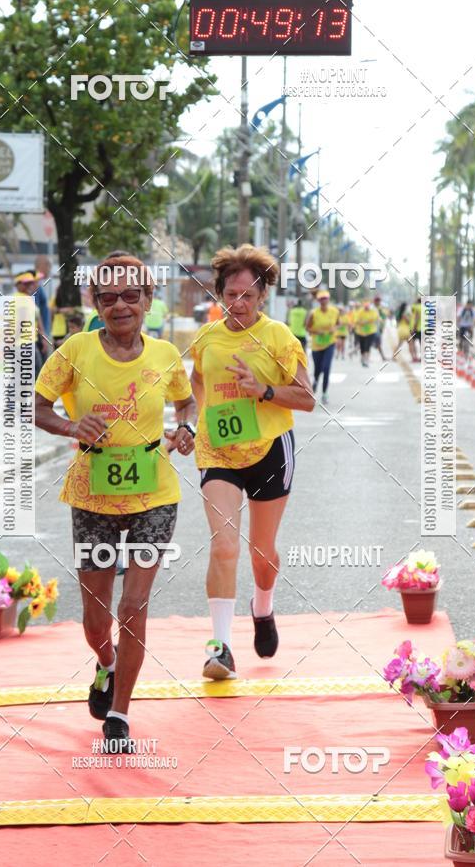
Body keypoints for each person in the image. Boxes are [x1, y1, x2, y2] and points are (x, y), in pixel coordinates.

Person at [35, 255, 197, 747]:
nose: (121, 305)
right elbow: (37, 406)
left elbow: (186, 399)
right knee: (95, 616)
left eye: (132, 295)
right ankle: (105, 663)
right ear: (96, 303)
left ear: (148, 300)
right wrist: (70, 426)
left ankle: (120, 715)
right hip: (92, 493)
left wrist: (186, 426)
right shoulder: (75, 351)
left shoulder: (166, 354)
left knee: (134, 604)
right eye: (109, 297)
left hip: (154, 491)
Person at [190, 244, 313, 680]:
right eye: (230, 294)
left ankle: (263, 607)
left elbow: (306, 398)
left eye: (247, 295)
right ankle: (219, 648)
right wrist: (195, 424)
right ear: (219, 293)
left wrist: (261, 389)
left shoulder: (279, 337)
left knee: (261, 553)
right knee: (224, 546)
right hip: (217, 453)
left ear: (262, 296)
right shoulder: (206, 338)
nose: (238, 303)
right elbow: (196, 385)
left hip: (269, 450)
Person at [305, 290, 339, 404]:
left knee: (326, 368)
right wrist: (317, 331)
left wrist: (334, 329)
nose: (324, 301)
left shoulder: (334, 311)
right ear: (318, 301)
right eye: (321, 299)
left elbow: (338, 323)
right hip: (316, 345)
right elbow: (307, 328)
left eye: (325, 298)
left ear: (328, 299)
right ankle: (315, 381)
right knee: (318, 370)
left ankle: (324, 393)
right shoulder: (313, 313)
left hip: (330, 343)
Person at [354, 299, 380, 367]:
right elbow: (356, 321)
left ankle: (366, 360)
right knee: (362, 346)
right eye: (365, 307)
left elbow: (377, 318)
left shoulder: (373, 311)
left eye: (367, 307)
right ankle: (363, 358)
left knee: (367, 346)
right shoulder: (360, 312)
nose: (366, 308)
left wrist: (371, 321)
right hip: (361, 332)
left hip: (371, 331)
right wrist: (363, 322)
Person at [410, 296, 422, 362]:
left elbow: (417, 317)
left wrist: (414, 327)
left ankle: (415, 357)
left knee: (412, 342)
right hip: (424, 328)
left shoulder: (417, 307)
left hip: (417, 328)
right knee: (421, 344)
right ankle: (421, 358)